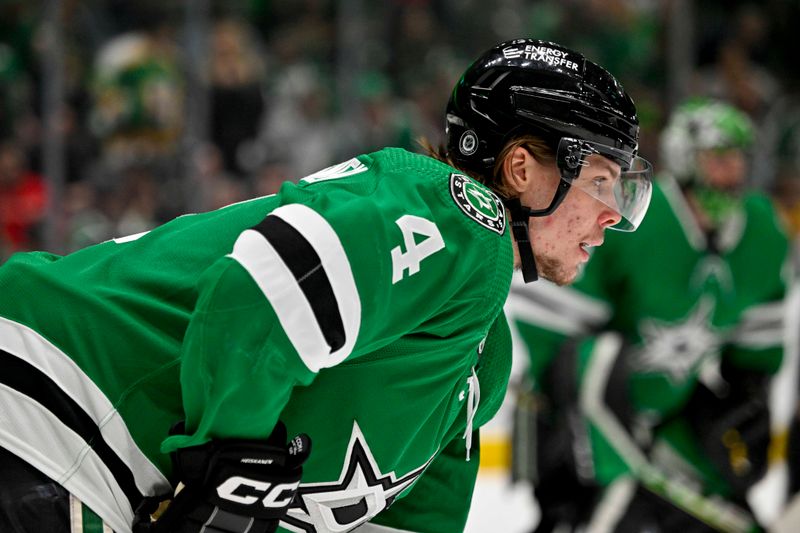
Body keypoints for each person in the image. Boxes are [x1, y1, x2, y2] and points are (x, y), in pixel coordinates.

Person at [0, 38, 652, 533]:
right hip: (51, 409)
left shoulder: (480, 350)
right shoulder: (464, 221)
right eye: (601, 180)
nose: (614, 212)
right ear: (520, 169)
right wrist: (224, 480)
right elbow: (265, 283)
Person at [507, 98, 790, 533]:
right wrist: (577, 419)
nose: (732, 172)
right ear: (685, 159)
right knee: (581, 514)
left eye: (739, 159)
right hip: (577, 413)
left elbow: (757, 351)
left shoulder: (761, 231)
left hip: (666, 415)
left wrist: (748, 398)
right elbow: (557, 339)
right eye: (718, 159)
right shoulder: (636, 215)